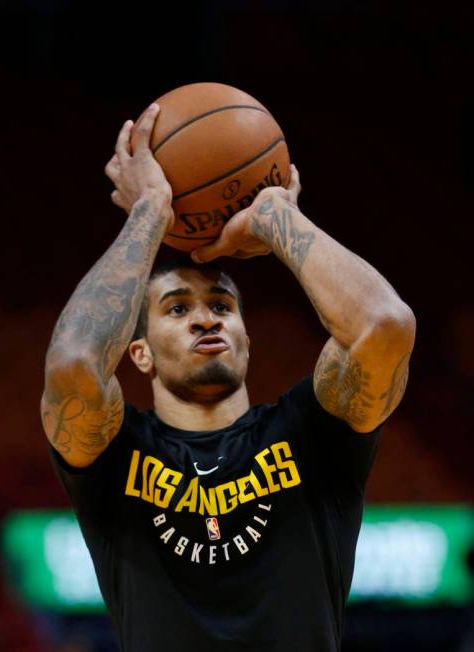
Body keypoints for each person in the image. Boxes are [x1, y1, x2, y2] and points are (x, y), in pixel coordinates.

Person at [41, 103, 416, 652]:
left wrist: (274, 214)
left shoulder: (310, 435)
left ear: (246, 337)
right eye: (175, 308)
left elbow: (385, 325)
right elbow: (73, 364)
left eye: (222, 304)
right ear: (137, 354)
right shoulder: (115, 455)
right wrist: (150, 211)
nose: (204, 316)